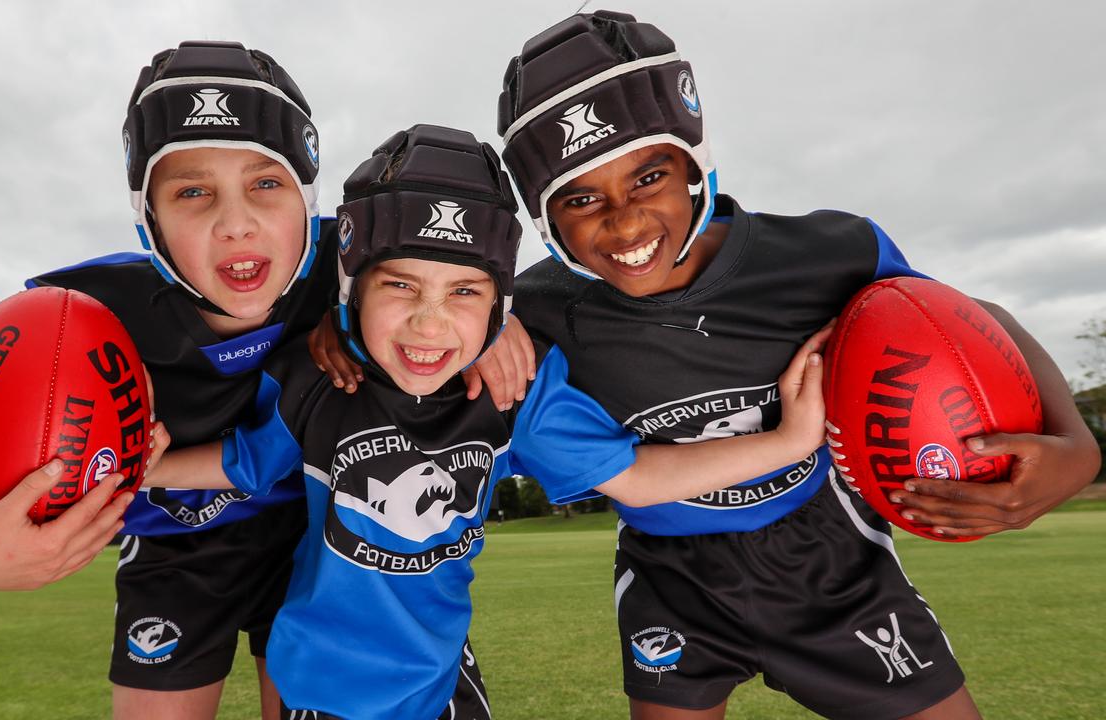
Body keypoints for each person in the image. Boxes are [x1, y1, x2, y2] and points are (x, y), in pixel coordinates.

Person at [0, 41, 531, 720]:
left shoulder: (362, 274)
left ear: (308, 200)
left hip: (321, 536)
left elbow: (460, 269)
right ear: (149, 218)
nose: (237, 224)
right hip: (176, 543)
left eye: (266, 184)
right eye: (193, 191)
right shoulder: (90, 319)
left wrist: (506, 321)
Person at [494, 10, 1101, 720]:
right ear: (543, 215)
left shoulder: (826, 256)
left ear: (693, 158)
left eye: (649, 177)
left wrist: (1076, 449)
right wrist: (489, 322)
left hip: (830, 559)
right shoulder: (533, 312)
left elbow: (971, 318)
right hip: (671, 571)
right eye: (581, 198)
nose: (625, 223)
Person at [143, 123, 833, 719]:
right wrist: (148, 468)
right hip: (320, 687)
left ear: (500, 303)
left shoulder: (515, 395)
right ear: (353, 289)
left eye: (465, 291)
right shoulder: (318, 382)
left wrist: (789, 441)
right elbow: (238, 462)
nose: (430, 321)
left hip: (443, 681)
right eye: (400, 285)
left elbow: (640, 477)